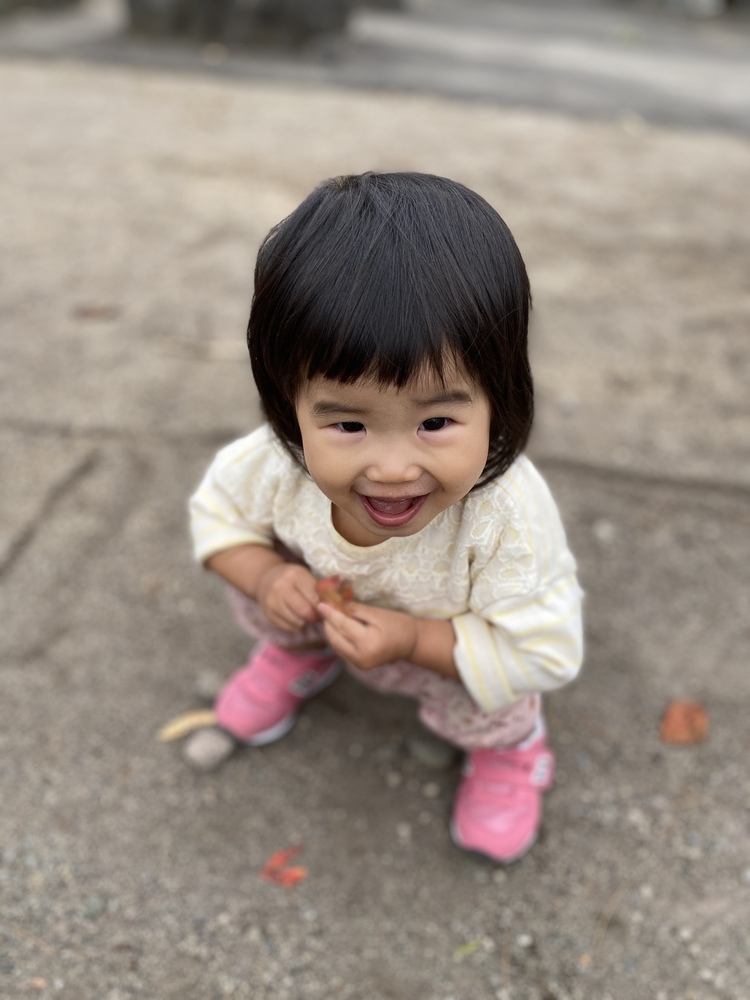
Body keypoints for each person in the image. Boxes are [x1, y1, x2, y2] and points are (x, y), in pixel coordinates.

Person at [188, 172, 584, 864]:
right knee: (274, 584)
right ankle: (298, 652)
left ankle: (513, 752)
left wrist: (411, 641)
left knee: (496, 696)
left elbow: (545, 649)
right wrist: (261, 577)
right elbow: (216, 516)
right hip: (326, 615)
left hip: (454, 653)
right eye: (347, 422)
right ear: (290, 402)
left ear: (499, 397)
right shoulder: (274, 464)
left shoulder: (504, 517)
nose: (394, 467)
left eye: (435, 420)